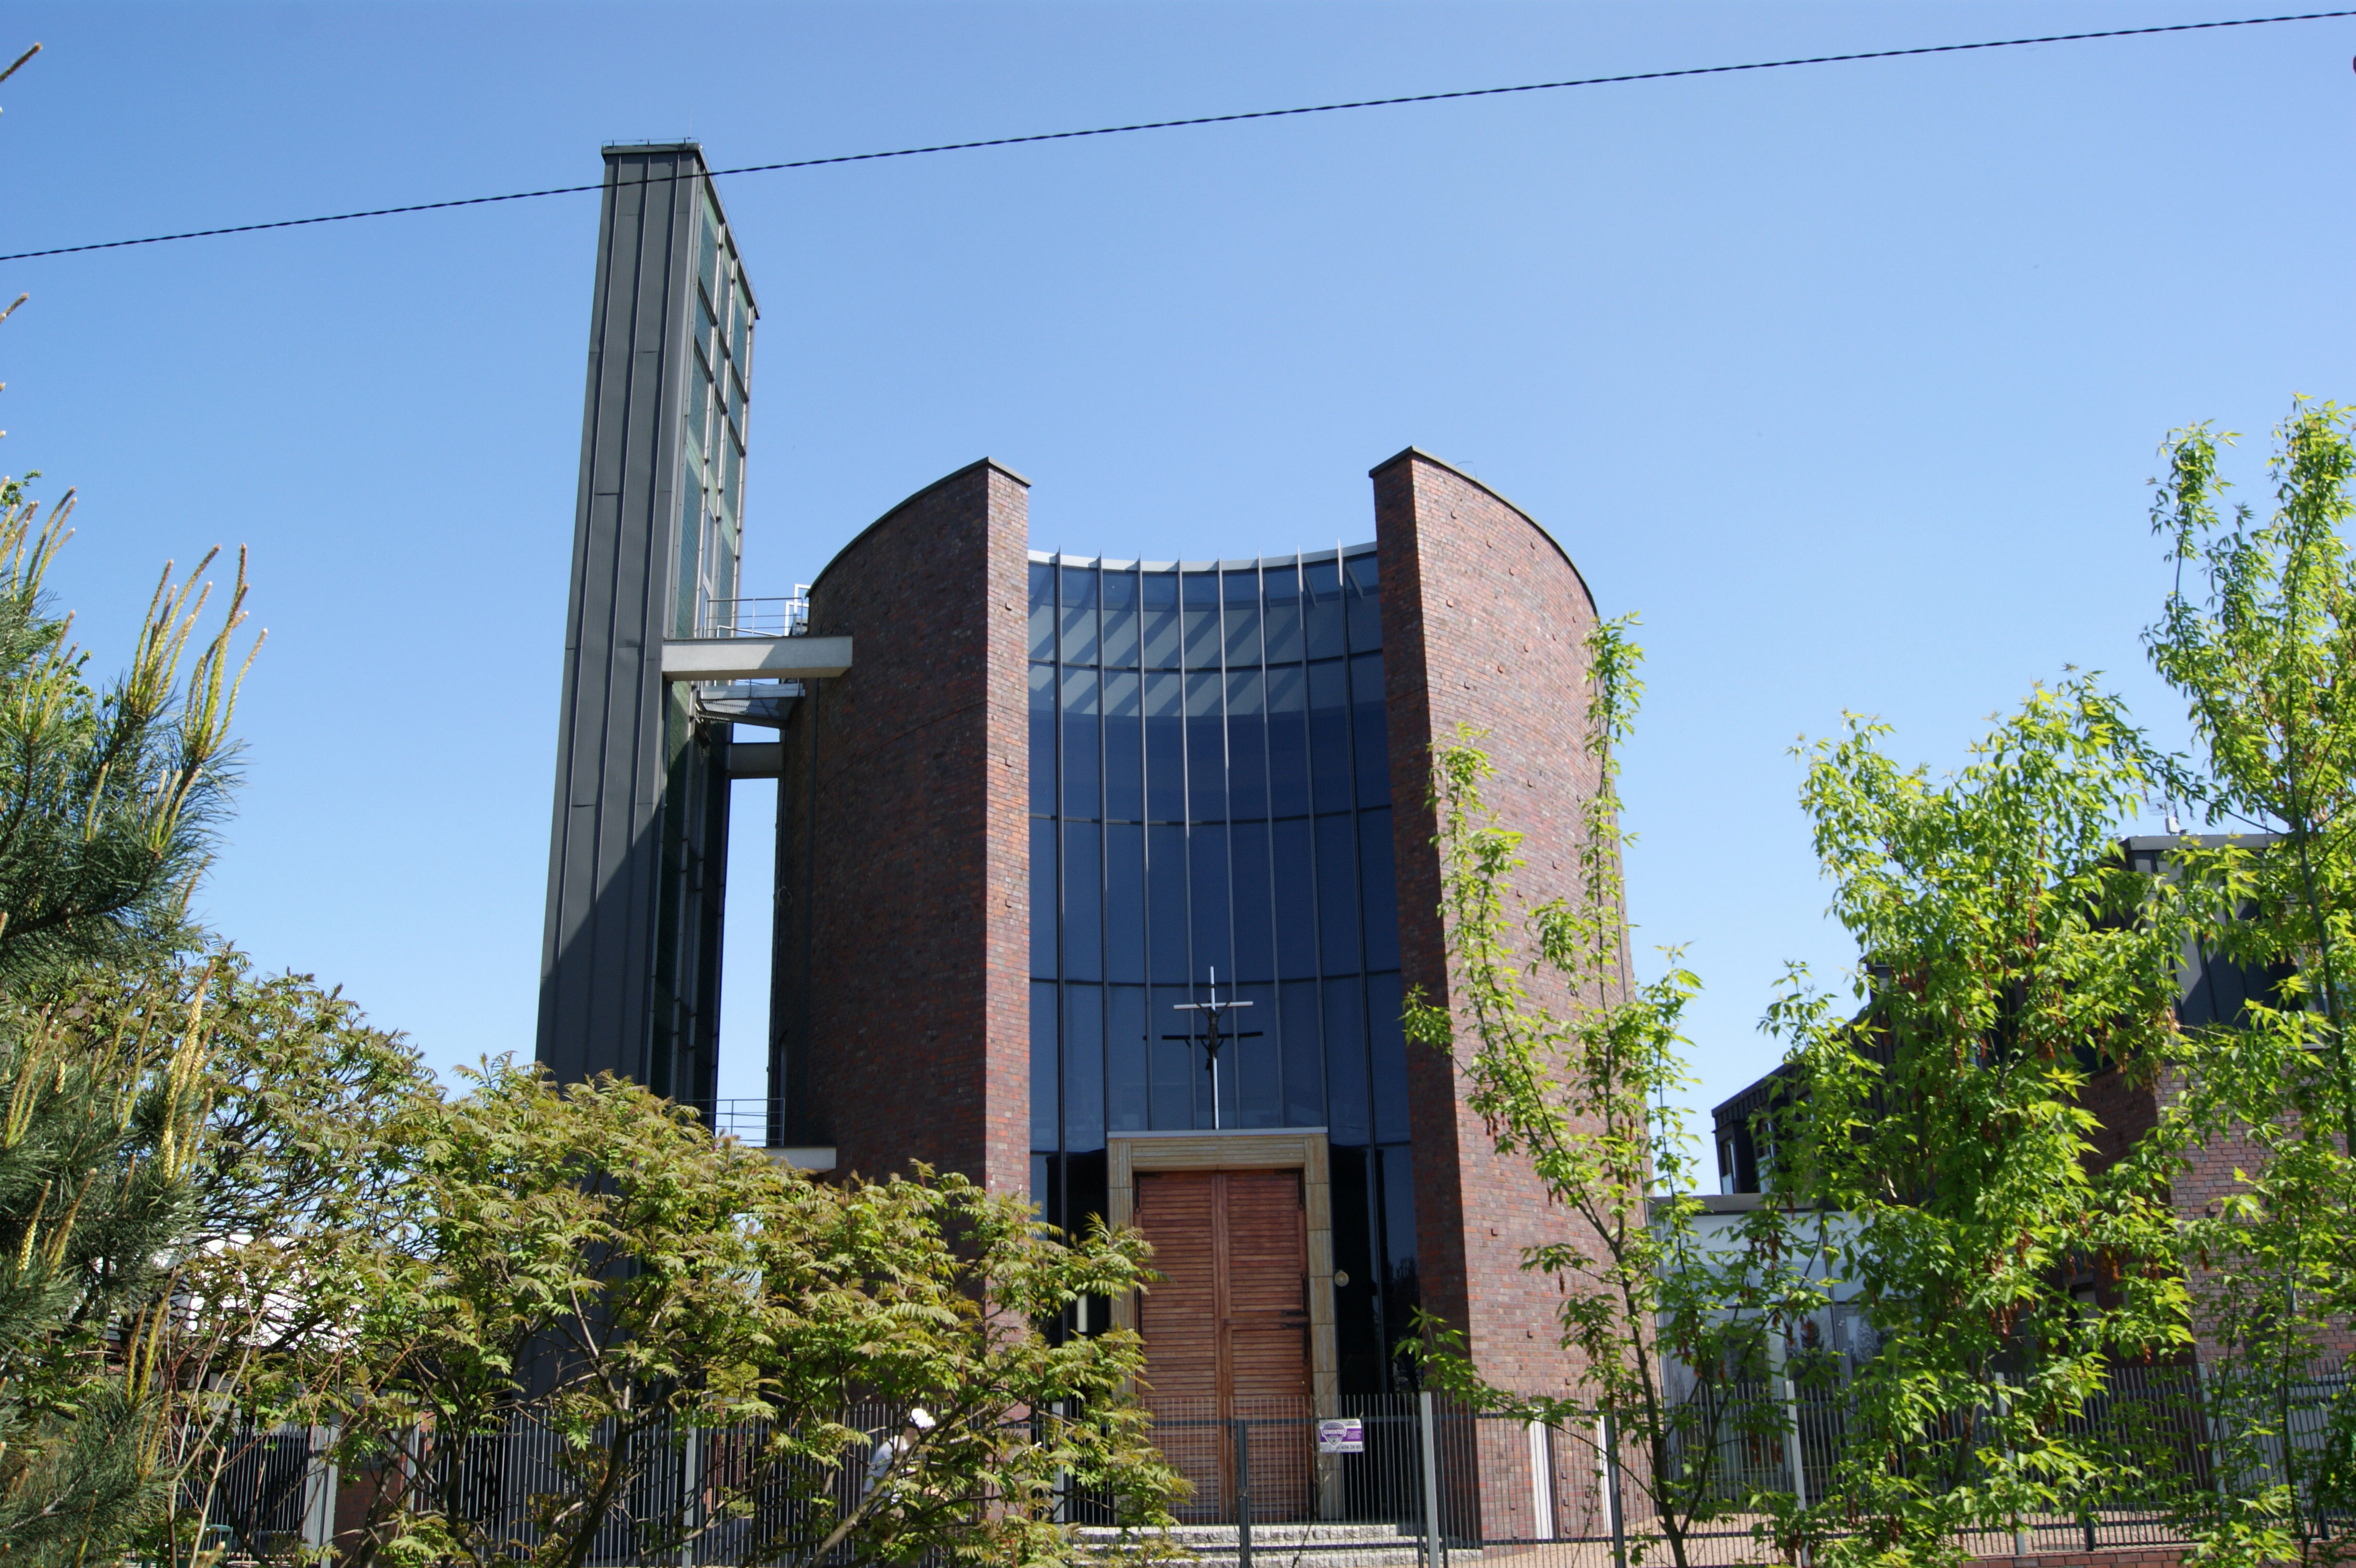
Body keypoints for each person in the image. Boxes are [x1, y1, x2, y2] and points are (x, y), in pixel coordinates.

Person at [863, 1406, 935, 1500]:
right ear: (909, 1429)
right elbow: (911, 1482)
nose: (926, 1435)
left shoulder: (916, 1451)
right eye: (923, 1430)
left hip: (894, 1503)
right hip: (882, 1505)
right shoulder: (895, 1448)